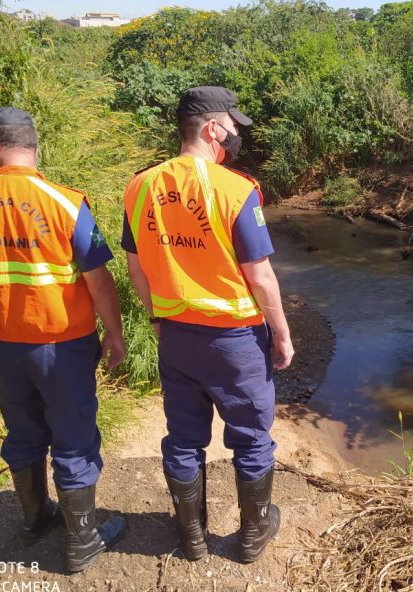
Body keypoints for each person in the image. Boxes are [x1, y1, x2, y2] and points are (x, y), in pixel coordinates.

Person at [0, 107, 126, 573]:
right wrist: (115, 334)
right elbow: (99, 282)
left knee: (23, 432)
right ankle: (82, 541)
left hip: (6, 347)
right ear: (33, 145)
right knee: (73, 437)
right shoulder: (64, 203)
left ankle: (33, 519)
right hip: (64, 347)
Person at [121, 86, 295, 563]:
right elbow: (260, 275)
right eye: (232, 128)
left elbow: (136, 267)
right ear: (211, 129)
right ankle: (252, 537)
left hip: (176, 334)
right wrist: (281, 332)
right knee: (251, 437)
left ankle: (192, 539)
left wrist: (158, 316)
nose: (236, 136)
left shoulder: (139, 186)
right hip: (234, 339)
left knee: (183, 437)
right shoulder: (237, 190)